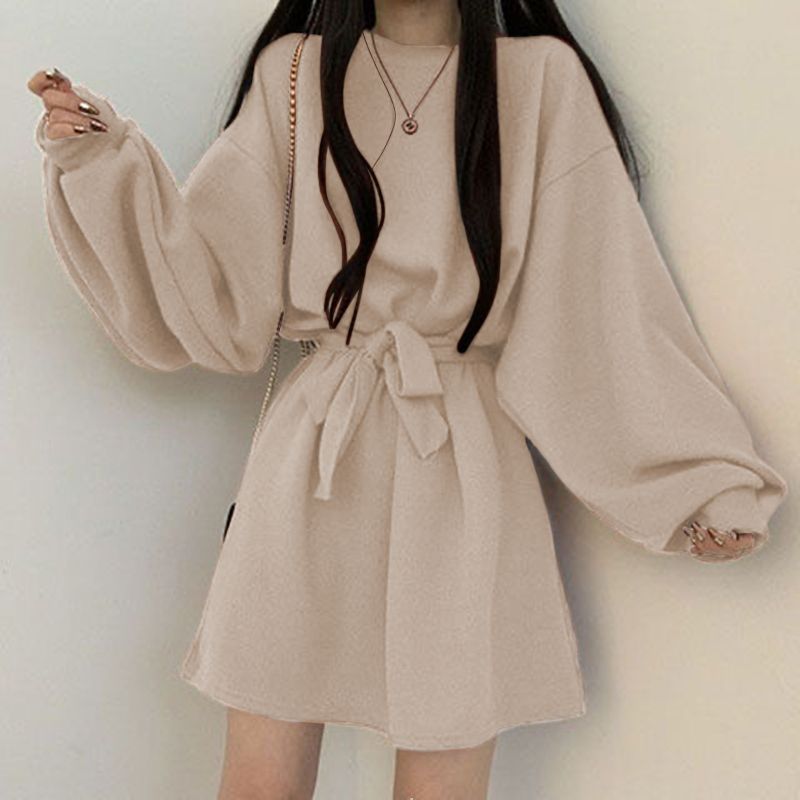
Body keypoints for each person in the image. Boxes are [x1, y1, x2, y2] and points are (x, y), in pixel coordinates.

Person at [27, 0, 789, 797]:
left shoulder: (540, 80)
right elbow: (214, 285)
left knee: (441, 782)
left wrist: (698, 486)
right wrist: (100, 157)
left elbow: (602, 301)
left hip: (461, 468)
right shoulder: (295, 72)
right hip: (314, 457)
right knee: (258, 783)